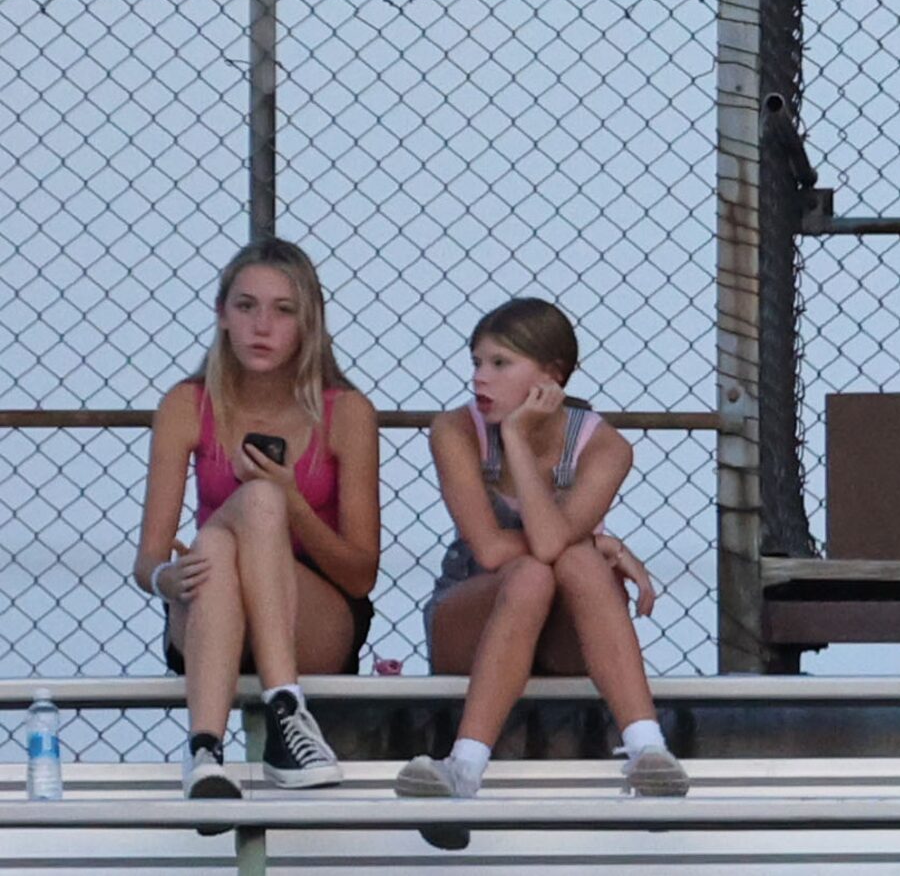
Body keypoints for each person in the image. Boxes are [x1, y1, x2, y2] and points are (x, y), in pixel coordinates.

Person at [396, 297, 685, 836]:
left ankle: (648, 753)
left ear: (552, 376)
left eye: (500, 364)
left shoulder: (606, 446)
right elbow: (487, 550)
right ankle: (463, 767)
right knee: (544, 567)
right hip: (474, 609)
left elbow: (553, 542)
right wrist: (604, 546)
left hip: (566, 627)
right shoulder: (455, 431)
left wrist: (521, 449)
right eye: (476, 362)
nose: (481, 378)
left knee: (569, 560)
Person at [132, 238, 376, 807]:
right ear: (222, 315)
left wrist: (289, 500)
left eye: (283, 310)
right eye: (245, 307)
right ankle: (234, 743)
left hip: (314, 617)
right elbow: (148, 559)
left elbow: (361, 574)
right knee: (215, 547)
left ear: (308, 323)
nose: (261, 325)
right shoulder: (186, 404)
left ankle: (216, 738)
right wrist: (165, 580)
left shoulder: (347, 412)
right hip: (209, 612)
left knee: (260, 502)